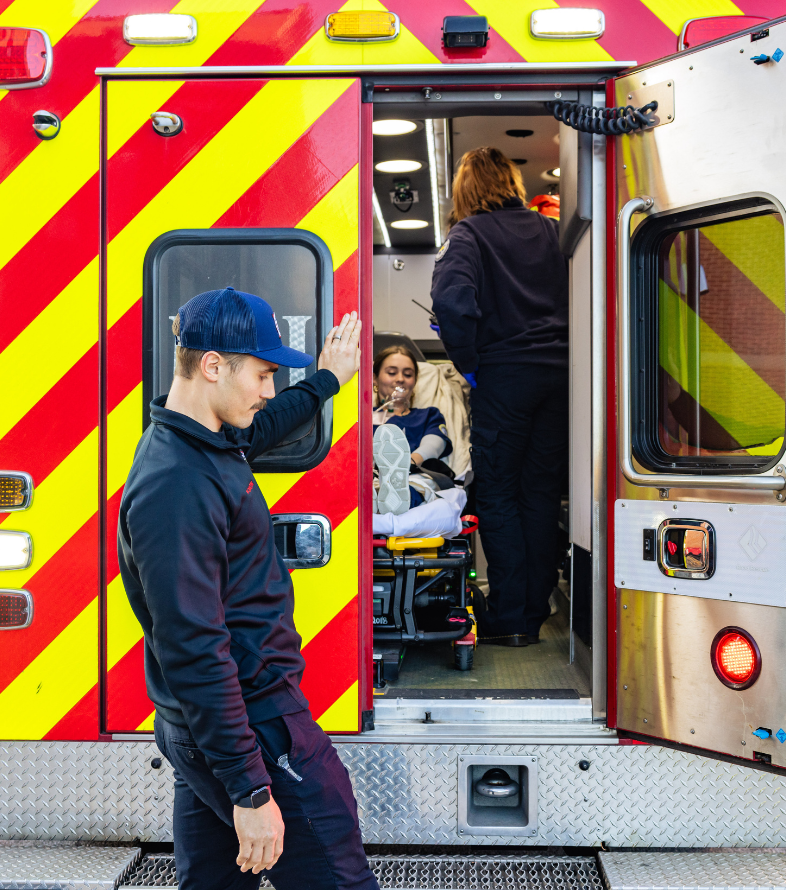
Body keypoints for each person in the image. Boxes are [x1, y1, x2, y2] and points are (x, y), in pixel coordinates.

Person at [117, 285, 377, 890]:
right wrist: (252, 788)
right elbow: (193, 646)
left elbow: (263, 427)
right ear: (214, 366)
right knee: (337, 875)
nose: (268, 390)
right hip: (253, 726)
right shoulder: (176, 485)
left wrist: (327, 380)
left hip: (210, 728)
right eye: (262, 374)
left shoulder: (201, 440)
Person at [430, 147, 569, 648]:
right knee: (539, 493)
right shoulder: (552, 232)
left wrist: (469, 362)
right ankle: (534, 609)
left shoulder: (468, 235)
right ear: (512, 182)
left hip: (506, 377)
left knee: (498, 493)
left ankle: (509, 616)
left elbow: (450, 300)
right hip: (563, 378)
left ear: (465, 190)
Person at [371, 345, 453, 515]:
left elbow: (434, 444)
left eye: (408, 374)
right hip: (369, 477)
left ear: (414, 381)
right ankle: (373, 497)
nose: (400, 379)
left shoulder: (428, 415)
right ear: (374, 378)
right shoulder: (362, 417)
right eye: (392, 372)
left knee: (415, 488)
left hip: (412, 475)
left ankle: (392, 499)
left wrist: (407, 463)